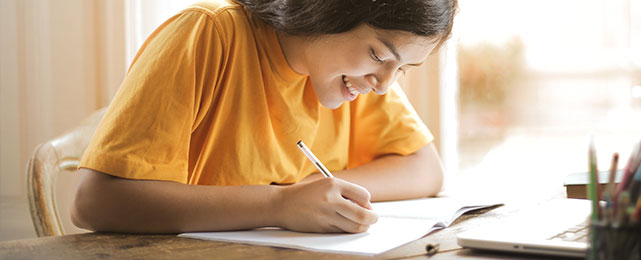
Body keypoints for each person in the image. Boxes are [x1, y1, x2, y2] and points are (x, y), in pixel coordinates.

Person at [71, 0, 457, 234]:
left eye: (404, 68)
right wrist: (279, 205)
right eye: (378, 55)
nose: (384, 85)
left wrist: (313, 193)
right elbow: (94, 202)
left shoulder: (353, 77)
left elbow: (425, 168)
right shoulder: (208, 33)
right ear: (327, 10)